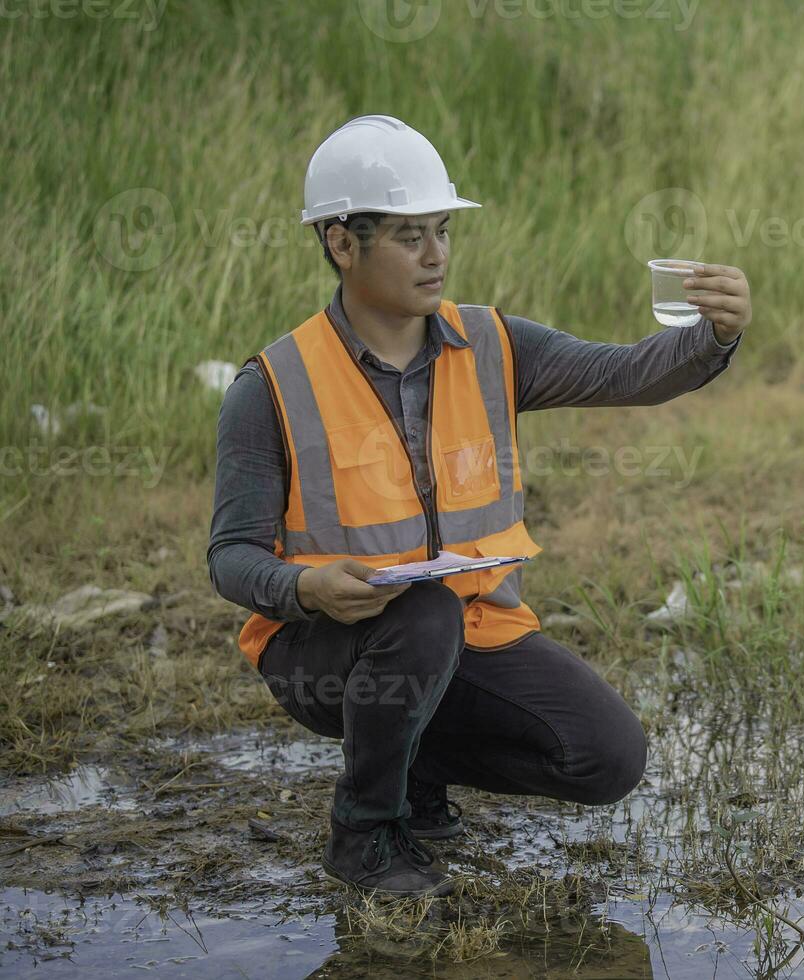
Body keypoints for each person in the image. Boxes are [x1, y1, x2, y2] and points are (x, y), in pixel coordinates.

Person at [206, 114, 751, 898]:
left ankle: (413, 760)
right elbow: (231, 557)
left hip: (470, 631)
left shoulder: (492, 343)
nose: (436, 255)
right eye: (407, 236)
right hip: (326, 649)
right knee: (419, 618)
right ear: (339, 242)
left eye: (441, 230)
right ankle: (365, 830)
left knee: (607, 756)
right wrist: (305, 587)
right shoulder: (271, 387)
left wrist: (714, 336)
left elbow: (627, 374)